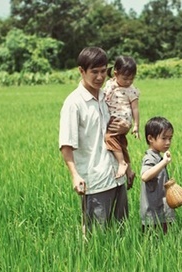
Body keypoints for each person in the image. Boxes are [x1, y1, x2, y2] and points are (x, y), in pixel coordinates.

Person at [59, 47, 131, 234]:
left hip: (117, 177)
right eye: (94, 72)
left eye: (103, 71)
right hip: (95, 181)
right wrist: (75, 175)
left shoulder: (105, 96)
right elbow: (66, 144)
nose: (100, 77)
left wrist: (126, 128)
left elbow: (114, 133)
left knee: (121, 233)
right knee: (97, 238)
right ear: (81, 71)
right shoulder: (74, 103)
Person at [103, 55, 140, 181]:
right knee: (121, 145)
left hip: (120, 119)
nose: (128, 82)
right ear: (116, 73)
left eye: (132, 79)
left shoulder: (131, 90)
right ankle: (129, 172)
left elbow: (135, 108)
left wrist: (135, 125)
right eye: (125, 79)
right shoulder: (109, 84)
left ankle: (121, 163)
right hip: (113, 117)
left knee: (109, 138)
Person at [140, 116, 175, 234]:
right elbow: (145, 176)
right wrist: (164, 162)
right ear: (150, 138)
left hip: (162, 210)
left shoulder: (158, 156)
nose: (168, 142)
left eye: (170, 138)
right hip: (152, 214)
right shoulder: (149, 157)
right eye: (164, 138)